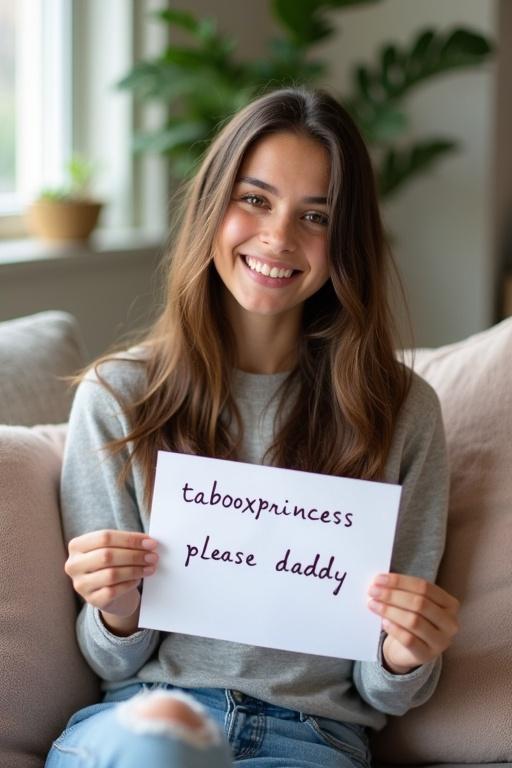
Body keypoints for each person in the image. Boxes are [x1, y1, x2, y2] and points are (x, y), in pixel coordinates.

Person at [46, 87, 460, 768]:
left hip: (311, 739)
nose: (278, 238)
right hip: (146, 717)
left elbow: (384, 691)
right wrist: (118, 606)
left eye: (316, 215)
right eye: (255, 199)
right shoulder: (120, 397)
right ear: (214, 207)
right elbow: (104, 656)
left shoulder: (401, 411)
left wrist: (405, 651)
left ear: (345, 240)